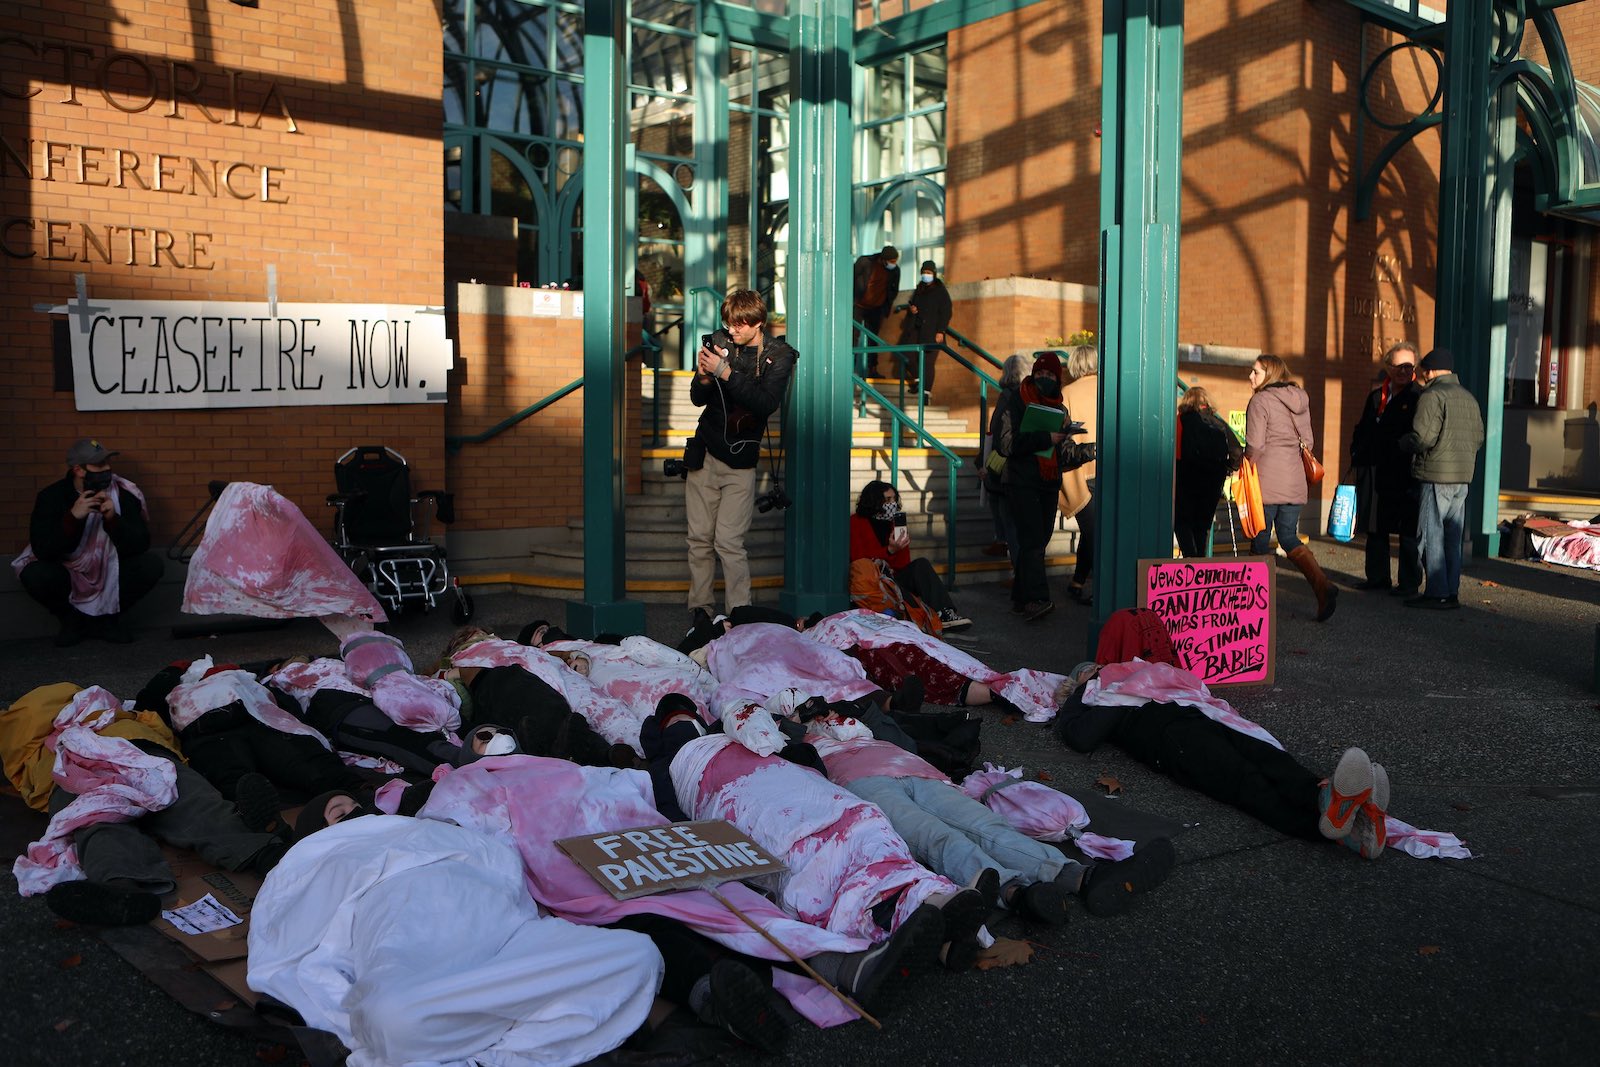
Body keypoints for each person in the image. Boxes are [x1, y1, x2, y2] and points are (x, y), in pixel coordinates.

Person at [685, 289, 798, 622]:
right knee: (699, 540)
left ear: (758, 323)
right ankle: (701, 611)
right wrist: (705, 374)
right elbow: (697, 398)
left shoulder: (780, 355)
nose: (731, 331)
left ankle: (740, 612)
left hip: (741, 462)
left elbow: (765, 403)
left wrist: (725, 373)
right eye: (728, 323)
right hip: (704, 453)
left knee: (729, 542)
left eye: (739, 325)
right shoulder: (718, 341)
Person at [14, 438, 165, 646]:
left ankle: (108, 621)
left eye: (108, 463)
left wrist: (113, 520)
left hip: (110, 569)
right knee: (35, 573)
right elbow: (44, 549)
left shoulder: (123, 494)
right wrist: (73, 518)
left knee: (150, 565)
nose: (108, 469)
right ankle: (72, 621)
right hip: (68, 570)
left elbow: (140, 544)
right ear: (79, 470)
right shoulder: (52, 496)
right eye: (100, 465)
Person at [995, 352, 1095, 621]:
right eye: (1040, 374)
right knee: (1032, 542)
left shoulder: (1060, 408)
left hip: (1048, 483)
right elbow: (1005, 444)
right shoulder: (1014, 399)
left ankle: (1020, 598)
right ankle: (1037, 599)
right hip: (1021, 481)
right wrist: (1044, 438)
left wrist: (1090, 450)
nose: (1044, 379)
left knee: (1038, 541)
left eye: (1050, 375)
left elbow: (1064, 453)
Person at [1244, 355, 1337, 622]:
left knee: (1260, 541)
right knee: (1288, 537)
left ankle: (1255, 609)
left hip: (1266, 482)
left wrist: (1243, 463)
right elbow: (1308, 441)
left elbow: (1256, 446)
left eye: (1256, 372)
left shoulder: (1260, 401)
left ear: (1269, 374)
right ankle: (1322, 587)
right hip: (1295, 481)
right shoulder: (1300, 399)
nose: (1251, 377)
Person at [1398, 347, 1485, 609]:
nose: (1422, 375)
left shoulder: (1432, 395)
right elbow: (1479, 438)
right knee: (1452, 537)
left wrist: (1402, 443)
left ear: (1431, 370)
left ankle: (1436, 592)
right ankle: (1451, 591)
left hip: (1435, 476)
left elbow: (1422, 437)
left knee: (1430, 535)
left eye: (1423, 370)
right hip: (1462, 477)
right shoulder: (1468, 398)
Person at [1349, 341, 1424, 594]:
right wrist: (1357, 451)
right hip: (1374, 470)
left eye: (1409, 366)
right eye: (1399, 366)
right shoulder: (1375, 396)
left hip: (1404, 473)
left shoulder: (1418, 397)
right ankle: (1378, 578)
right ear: (1388, 367)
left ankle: (1408, 583)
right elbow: (1364, 428)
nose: (1404, 371)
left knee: (1407, 529)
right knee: (1375, 526)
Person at [849, 481, 972, 631]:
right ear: (874, 501)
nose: (892, 503)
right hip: (873, 581)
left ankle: (945, 613)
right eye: (887, 500)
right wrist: (889, 551)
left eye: (894, 499)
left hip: (894, 579)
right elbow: (859, 560)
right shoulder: (856, 522)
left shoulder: (895, 523)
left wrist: (898, 549)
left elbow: (903, 564)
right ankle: (929, 617)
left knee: (921, 564)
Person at [1173, 386, 1242, 557]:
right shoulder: (1219, 423)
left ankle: (1191, 558)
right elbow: (1237, 451)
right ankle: (1200, 561)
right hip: (1213, 480)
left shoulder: (1180, 421)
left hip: (1186, 478)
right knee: (1202, 525)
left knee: (1182, 522)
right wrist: (1228, 467)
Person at [1059, 344, 1100, 604]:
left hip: (1080, 473)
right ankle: (1081, 581)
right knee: (1096, 532)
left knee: (1093, 531)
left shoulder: (1067, 393)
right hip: (1109, 468)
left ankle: (1085, 584)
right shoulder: (1110, 388)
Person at [981, 354, 1030, 564]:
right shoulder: (1028, 395)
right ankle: (1003, 545)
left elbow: (996, 431)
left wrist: (985, 463)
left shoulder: (1008, 396)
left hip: (1006, 463)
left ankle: (1017, 568)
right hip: (1022, 464)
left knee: (1008, 517)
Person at [901, 260, 952, 397]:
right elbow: (916, 305)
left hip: (932, 331)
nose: (926, 275)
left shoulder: (941, 291)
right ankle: (918, 381)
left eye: (929, 273)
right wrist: (913, 310)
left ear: (934, 274)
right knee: (906, 353)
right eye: (923, 272)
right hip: (917, 328)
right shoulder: (920, 289)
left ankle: (925, 392)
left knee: (928, 363)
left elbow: (946, 312)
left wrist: (940, 331)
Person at [852, 244, 901, 358]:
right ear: (883, 259)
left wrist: (886, 303)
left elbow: (894, 289)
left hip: (876, 308)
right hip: (858, 305)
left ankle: (872, 368)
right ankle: (851, 365)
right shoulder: (865, 262)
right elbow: (851, 277)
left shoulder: (895, 271)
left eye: (895, 261)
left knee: (873, 339)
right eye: (891, 261)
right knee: (853, 336)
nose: (893, 264)